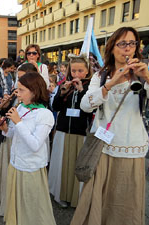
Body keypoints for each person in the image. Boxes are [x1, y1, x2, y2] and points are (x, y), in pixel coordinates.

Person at [70, 27, 149, 225]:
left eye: (132, 43)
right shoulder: (100, 76)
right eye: (122, 44)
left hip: (132, 148)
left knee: (125, 205)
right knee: (99, 200)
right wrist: (110, 84)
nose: (127, 48)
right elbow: (85, 106)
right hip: (104, 149)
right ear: (112, 48)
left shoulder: (144, 76)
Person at [0, 72, 56, 225]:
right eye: (17, 90)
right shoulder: (22, 108)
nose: (18, 94)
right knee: (19, 203)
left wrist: (18, 122)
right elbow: (14, 135)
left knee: (32, 205)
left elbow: (35, 145)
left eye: (21, 90)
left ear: (34, 91)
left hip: (31, 167)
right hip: (16, 163)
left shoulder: (45, 115)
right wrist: (5, 129)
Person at [48, 54, 93, 208]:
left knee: (76, 165)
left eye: (80, 71)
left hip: (80, 132)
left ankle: (76, 198)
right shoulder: (64, 84)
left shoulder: (90, 87)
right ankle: (61, 194)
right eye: (73, 71)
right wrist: (61, 93)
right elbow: (55, 107)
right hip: (63, 131)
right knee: (61, 165)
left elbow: (88, 109)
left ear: (87, 71)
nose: (76, 74)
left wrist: (81, 91)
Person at [0, 63, 38, 217]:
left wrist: (16, 121)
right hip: (12, 137)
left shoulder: (38, 106)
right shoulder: (18, 97)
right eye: (17, 79)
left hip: (24, 145)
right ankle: (9, 203)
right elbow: (9, 117)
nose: (16, 87)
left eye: (21, 79)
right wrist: (4, 105)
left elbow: (33, 136)